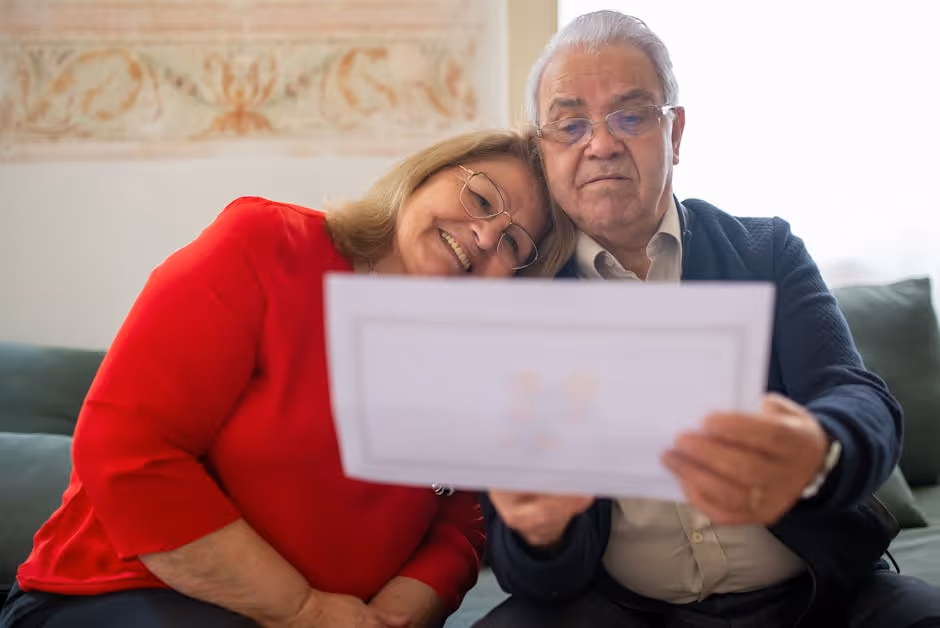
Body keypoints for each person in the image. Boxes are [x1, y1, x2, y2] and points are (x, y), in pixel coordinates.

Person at [0, 128, 576, 628]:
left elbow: (459, 518)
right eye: (480, 198)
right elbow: (126, 451)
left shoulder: (467, 364)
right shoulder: (266, 245)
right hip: (121, 592)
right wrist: (302, 612)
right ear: (424, 176)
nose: (483, 236)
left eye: (513, 245)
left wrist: (407, 606)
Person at [475, 10, 940, 628]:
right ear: (544, 150)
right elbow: (526, 566)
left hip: (821, 595)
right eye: (571, 124)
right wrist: (540, 534)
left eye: (632, 116)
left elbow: (855, 396)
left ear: (676, 133)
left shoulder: (765, 250)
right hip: (623, 611)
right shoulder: (520, 302)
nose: (602, 143)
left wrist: (818, 448)